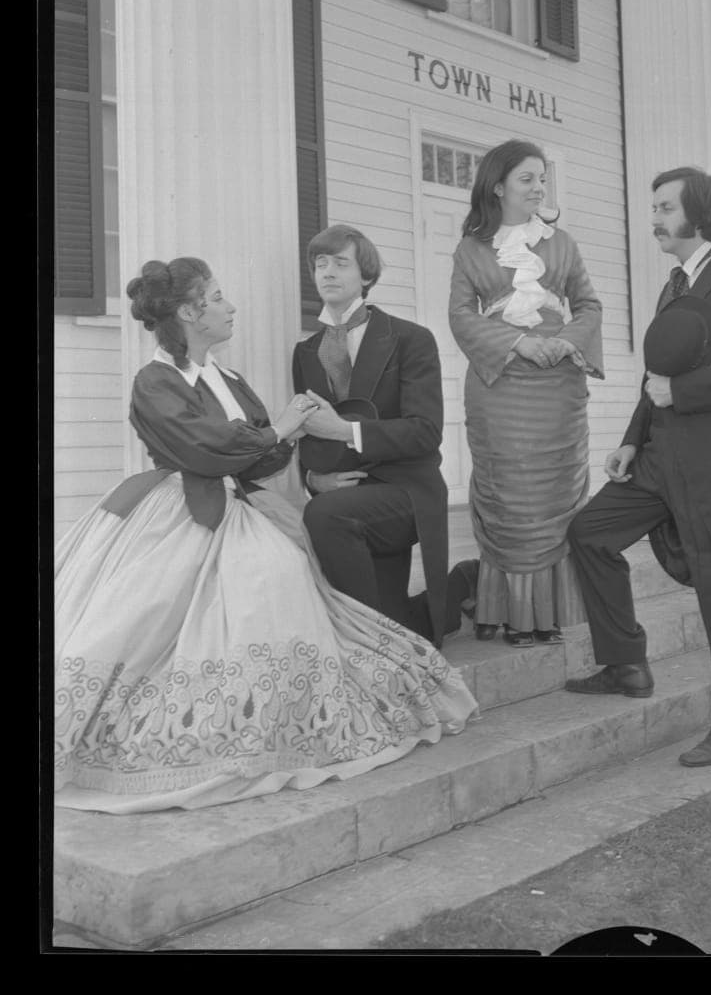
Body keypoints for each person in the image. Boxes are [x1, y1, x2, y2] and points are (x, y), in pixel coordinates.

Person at [54, 257, 477, 814]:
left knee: (281, 571)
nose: (230, 307)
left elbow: (259, 457)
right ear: (189, 312)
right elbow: (205, 449)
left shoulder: (228, 379)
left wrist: (289, 430)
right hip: (176, 511)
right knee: (172, 604)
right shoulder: (155, 381)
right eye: (218, 297)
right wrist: (281, 427)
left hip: (239, 504)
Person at [565, 167, 711, 768]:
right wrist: (633, 439)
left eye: (665, 207)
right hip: (659, 457)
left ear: (699, 214)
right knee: (590, 533)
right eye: (655, 207)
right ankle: (626, 663)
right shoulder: (674, 285)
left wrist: (682, 394)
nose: (655, 218)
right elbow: (655, 377)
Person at [449, 139, 604, 648]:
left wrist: (562, 343)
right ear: (498, 186)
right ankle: (504, 611)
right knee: (508, 495)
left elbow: (589, 306)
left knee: (554, 494)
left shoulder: (563, 244)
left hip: (558, 383)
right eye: (527, 179)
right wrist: (516, 342)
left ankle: (549, 614)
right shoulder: (471, 249)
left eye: (543, 179)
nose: (539, 187)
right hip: (500, 385)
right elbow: (460, 315)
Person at [294, 226, 455, 647]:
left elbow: (425, 432)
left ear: (365, 276)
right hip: (351, 494)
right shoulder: (307, 352)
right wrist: (312, 480)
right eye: (319, 264)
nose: (327, 272)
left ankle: (364, 644)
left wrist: (345, 431)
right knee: (401, 623)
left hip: (407, 492)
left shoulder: (410, 339)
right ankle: (465, 588)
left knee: (324, 515)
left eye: (340, 262)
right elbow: (309, 435)